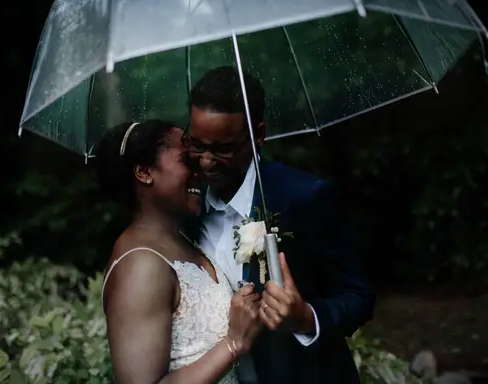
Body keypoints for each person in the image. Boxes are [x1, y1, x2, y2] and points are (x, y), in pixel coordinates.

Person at [185, 66, 376, 383]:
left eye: (223, 149)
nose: (206, 161)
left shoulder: (305, 198)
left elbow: (358, 296)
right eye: (197, 145)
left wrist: (306, 318)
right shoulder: (186, 205)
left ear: (258, 134)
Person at [97, 120, 262, 384]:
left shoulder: (186, 240)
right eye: (187, 160)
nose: (201, 169)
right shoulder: (140, 265)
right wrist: (234, 342)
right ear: (144, 172)